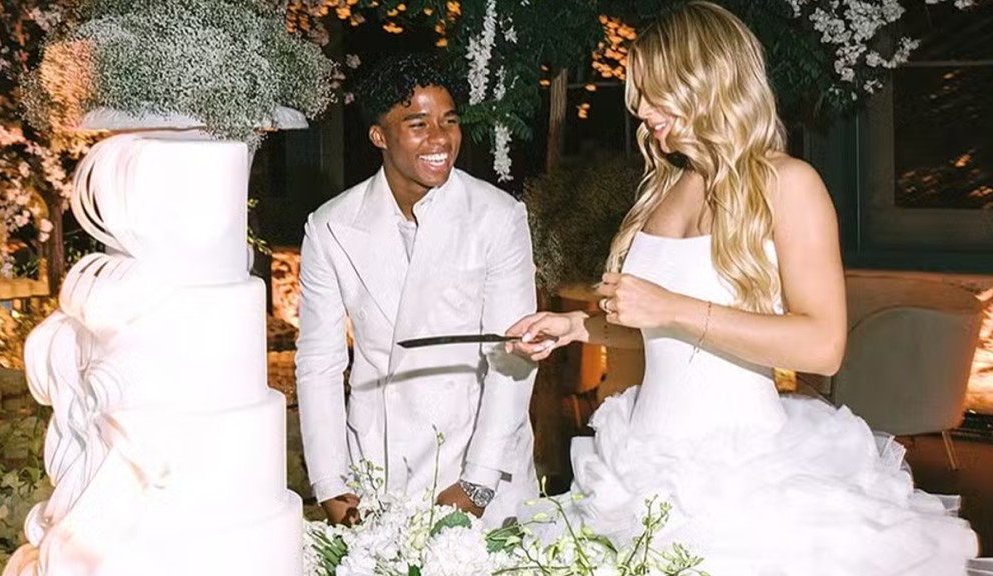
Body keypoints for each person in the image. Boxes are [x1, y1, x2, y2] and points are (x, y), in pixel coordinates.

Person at [506, 2, 980, 574]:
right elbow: (663, 330)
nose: (644, 111)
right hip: (638, 467)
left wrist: (673, 306)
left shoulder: (788, 184)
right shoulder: (660, 191)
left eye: (657, 93)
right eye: (640, 96)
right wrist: (577, 326)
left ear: (709, 81)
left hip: (743, 481)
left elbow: (823, 346)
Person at [296, 53, 538, 529]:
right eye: (418, 124)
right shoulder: (330, 227)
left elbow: (513, 355)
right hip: (378, 463)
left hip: (475, 457)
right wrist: (331, 485)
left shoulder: (497, 217)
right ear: (379, 136)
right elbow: (319, 362)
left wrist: (478, 481)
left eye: (449, 121)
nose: (441, 138)